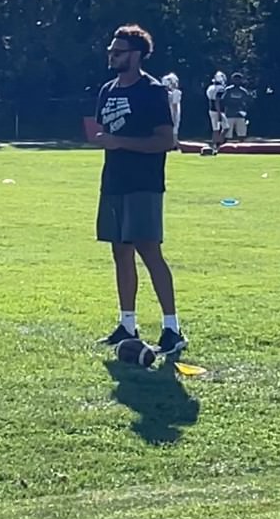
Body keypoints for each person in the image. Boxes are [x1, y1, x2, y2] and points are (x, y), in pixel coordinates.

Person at [94, 24, 188, 355]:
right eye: (110, 50)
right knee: (120, 252)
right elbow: (104, 131)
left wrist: (120, 141)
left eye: (117, 52)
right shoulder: (107, 90)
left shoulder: (152, 91)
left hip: (144, 184)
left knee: (149, 252)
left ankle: (172, 328)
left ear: (135, 56)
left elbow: (166, 141)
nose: (111, 55)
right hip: (114, 182)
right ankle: (127, 324)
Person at [206, 71, 228, 153]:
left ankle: (215, 144)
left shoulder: (210, 87)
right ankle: (218, 144)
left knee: (215, 129)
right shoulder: (221, 89)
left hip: (211, 109)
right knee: (225, 127)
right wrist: (219, 113)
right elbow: (217, 101)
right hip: (218, 110)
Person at [224, 72, 250, 142]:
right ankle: (227, 148)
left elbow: (247, 102)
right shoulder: (228, 90)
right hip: (229, 114)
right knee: (228, 134)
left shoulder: (244, 91)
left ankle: (242, 148)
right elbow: (223, 101)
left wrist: (244, 111)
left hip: (240, 115)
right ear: (232, 80)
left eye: (238, 79)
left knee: (242, 134)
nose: (237, 81)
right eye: (235, 79)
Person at [161, 72, 182, 144]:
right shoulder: (176, 92)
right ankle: (174, 143)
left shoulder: (162, 92)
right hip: (172, 111)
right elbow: (175, 105)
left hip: (164, 111)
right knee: (174, 128)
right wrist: (174, 116)